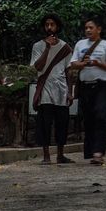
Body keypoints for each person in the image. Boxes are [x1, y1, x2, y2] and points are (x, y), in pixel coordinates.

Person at [70, 15, 106, 165]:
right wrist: (82, 64)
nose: (88, 30)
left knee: (100, 116)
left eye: (91, 27)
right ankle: (91, 151)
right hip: (85, 86)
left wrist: (98, 64)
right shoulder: (80, 44)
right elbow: (73, 64)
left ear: (99, 29)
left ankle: (99, 153)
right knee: (89, 118)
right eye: (86, 28)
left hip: (101, 85)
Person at [30, 13, 74, 164]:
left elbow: (69, 71)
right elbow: (38, 66)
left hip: (61, 90)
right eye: (47, 24)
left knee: (62, 123)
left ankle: (60, 155)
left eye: (52, 24)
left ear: (57, 27)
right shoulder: (37, 46)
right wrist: (47, 48)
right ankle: (46, 156)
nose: (49, 27)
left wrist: (70, 91)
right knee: (44, 123)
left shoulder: (65, 48)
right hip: (45, 90)